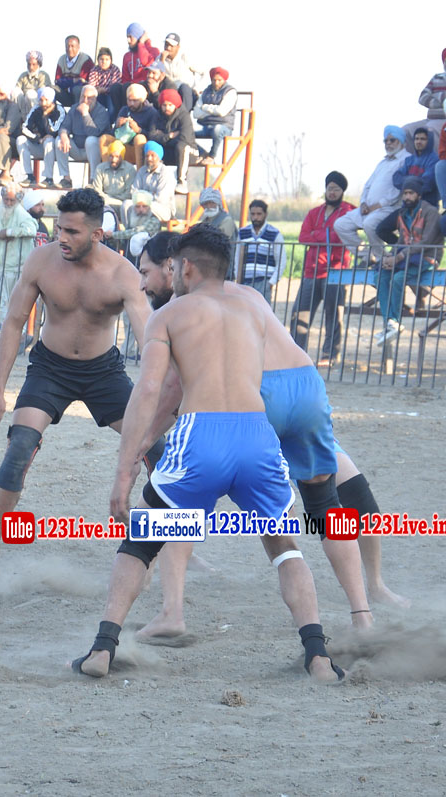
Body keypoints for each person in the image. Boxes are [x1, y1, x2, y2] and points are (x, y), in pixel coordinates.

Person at [73, 225, 344, 682]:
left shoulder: (169, 315)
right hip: (256, 434)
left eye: (173, 265)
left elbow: (151, 390)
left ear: (186, 268)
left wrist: (125, 469)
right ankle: (318, 656)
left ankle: (102, 649)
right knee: (285, 548)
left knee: (140, 542)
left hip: (202, 435)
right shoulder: (255, 309)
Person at [132, 230, 407, 643]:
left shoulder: (183, 308)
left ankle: (171, 610)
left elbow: (171, 390)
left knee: (182, 495)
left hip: (259, 395)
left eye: (148, 272)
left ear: (178, 267)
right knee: (329, 503)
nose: (144, 283)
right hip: (306, 384)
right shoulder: (247, 295)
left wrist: (142, 442)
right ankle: (363, 613)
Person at [0, 188, 156, 572]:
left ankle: (174, 544)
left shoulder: (123, 275)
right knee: (19, 447)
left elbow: (151, 341)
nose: (62, 238)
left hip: (103, 372)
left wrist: (162, 399)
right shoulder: (41, 261)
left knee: (160, 449)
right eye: (59, 229)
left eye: (72, 231)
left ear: (97, 234)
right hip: (50, 369)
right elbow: (14, 323)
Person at [373, 177, 443, 344]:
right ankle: (389, 323)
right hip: (406, 255)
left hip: (427, 256)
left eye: (411, 193)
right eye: (404, 193)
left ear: (419, 195)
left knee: (398, 278)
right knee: (380, 275)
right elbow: (401, 240)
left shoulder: (431, 212)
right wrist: (390, 256)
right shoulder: (403, 213)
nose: (407, 197)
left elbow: (426, 242)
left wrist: (399, 256)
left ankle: (395, 321)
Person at [293, 174, 354, 366]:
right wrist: (327, 234)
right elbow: (303, 237)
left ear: (342, 191)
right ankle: (295, 353)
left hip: (335, 271)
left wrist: (317, 234)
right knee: (299, 314)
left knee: (333, 316)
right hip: (311, 271)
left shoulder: (349, 212)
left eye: (336, 189)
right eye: (330, 188)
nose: (332, 192)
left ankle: (330, 354)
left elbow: (340, 237)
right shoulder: (314, 212)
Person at [333, 126, 404, 261]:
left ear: (401, 141)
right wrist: (363, 203)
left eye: (392, 140)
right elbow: (368, 186)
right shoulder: (383, 162)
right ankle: (367, 258)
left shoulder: (405, 160)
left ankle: (382, 259)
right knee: (341, 224)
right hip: (369, 209)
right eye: (386, 141)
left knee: (369, 224)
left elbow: (397, 191)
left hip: (389, 208)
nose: (388, 143)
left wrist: (375, 207)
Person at [0, 182, 39, 330]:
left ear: (18, 200)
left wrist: (9, 233)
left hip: (19, 267)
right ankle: (13, 329)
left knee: (17, 304)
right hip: (3, 267)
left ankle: (17, 332)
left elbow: (31, 229)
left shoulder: (21, 213)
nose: (8, 203)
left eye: (11, 200)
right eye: (6, 199)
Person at [404, 46, 446, 138]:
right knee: (406, 130)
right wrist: (444, 101)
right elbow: (422, 97)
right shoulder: (437, 77)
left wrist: (433, 96)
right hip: (430, 119)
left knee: (428, 131)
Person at [57, 84, 110, 181]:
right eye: (83, 97)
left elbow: (93, 132)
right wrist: (64, 135)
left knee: (91, 140)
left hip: (94, 151)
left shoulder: (102, 111)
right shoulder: (74, 108)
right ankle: (66, 178)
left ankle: (94, 179)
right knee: (59, 140)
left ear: (95, 99)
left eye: (89, 98)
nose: (85, 101)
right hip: (76, 149)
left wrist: (85, 114)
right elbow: (64, 126)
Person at [17, 87, 66, 188]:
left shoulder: (60, 109)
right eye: (41, 100)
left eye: (46, 100)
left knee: (49, 140)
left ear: (51, 99)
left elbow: (54, 130)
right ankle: (29, 177)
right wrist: (37, 138)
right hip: (40, 144)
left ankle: (49, 178)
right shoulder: (36, 109)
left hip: (56, 148)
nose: (43, 103)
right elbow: (24, 128)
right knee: (20, 140)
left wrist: (46, 116)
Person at [149, 88, 195, 193]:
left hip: (189, 152)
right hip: (168, 150)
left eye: (170, 105)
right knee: (151, 146)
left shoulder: (184, 116)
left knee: (181, 146)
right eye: (164, 105)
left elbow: (185, 138)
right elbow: (151, 136)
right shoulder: (157, 115)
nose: (167, 108)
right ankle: (151, 181)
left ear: (175, 104)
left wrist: (162, 136)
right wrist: (169, 136)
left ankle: (182, 182)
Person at [191, 66, 235, 163]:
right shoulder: (206, 92)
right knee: (186, 133)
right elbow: (196, 113)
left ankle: (211, 156)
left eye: (219, 80)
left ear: (224, 80)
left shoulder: (230, 92)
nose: (216, 82)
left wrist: (205, 108)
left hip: (224, 126)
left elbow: (222, 111)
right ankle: (202, 153)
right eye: (214, 80)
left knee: (217, 130)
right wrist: (214, 111)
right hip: (206, 126)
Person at [393, 127, 440, 207]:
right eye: (416, 139)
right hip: (406, 205)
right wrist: (413, 181)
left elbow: (428, 183)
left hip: (426, 205)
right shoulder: (409, 160)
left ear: (429, 141)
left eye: (422, 139)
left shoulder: (434, 159)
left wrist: (408, 182)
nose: (418, 141)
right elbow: (396, 178)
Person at [131, 141, 175, 223]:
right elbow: (134, 191)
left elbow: (161, 198)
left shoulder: (166, 173)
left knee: (147, 207)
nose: (149, 159)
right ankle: (128, 230)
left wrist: (142, 198)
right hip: (142, 205)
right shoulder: (142, 171)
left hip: (162, 209)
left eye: (152, 155)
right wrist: (149, 196)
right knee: (126, 204)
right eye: (147, 156)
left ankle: (141, 229)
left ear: (159, 157)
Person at [90, 139, 136, 211]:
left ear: (122, 157)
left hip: (121, 203)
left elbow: (129, 193)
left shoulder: (130, 169)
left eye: (117, 156)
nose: (114, 160)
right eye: (111, 156)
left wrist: (111, 199)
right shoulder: (100, 168)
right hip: (104, 201)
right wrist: (106, 199)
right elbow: (97, 190)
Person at [55, 35, 93, 106]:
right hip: (65, 93)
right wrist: (73, 80)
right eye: (67, 46)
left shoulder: (85, 60)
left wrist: (67, 85)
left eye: (72, 46)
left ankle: (77, 111)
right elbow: (57, 81)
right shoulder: (61, 59)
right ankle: (54, 111)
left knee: (77, 89)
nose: (69, 49)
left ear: (78, 47)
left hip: (79, 95)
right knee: (51, 89)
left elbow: (83, 82)